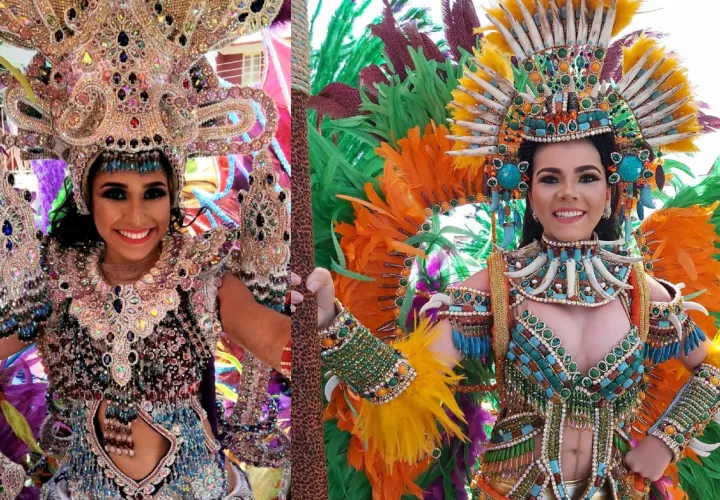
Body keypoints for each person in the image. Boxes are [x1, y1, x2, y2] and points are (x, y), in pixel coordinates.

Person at [293, 0, 720, 498]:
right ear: (526, 191)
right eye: (549, 178)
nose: (568, 193)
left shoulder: (639, 292)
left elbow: (709, 370)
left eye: (586, 177)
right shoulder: (497, 287)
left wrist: (666, 442)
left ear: (611, 189)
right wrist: (331, 323)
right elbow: (409, 386)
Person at [0, 1, 290, 498]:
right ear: (88, 197)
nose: (136, 218)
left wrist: (331, 333)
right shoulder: (56, 277)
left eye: (153, 193)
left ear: (172, 195)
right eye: (115, 194)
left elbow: (274, 340)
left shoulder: (203, 276)